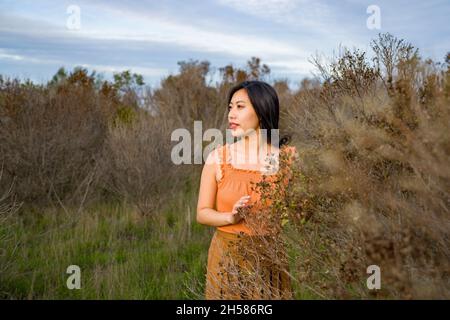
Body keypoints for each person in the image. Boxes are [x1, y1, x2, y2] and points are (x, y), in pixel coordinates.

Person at [196, 80, 297, 300]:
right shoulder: (219, 157)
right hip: (227, 258)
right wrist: (230, 218)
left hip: (269, 257)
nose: (232, 114)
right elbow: (202, 212)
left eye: (240, 107)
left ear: (261, 110)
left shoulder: (285, 159)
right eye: (230, 107)